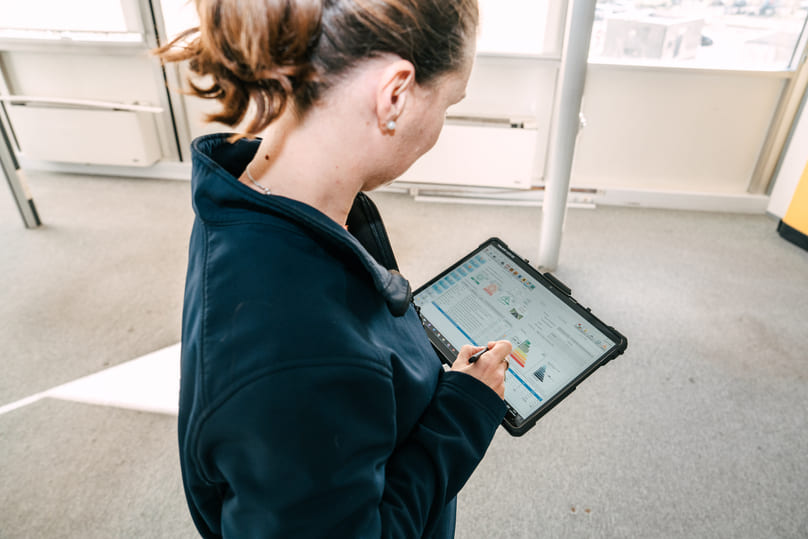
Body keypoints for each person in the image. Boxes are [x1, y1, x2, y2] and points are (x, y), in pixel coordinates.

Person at [156, 1, 513, 537]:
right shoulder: (297, 358)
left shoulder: (256, 199)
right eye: (448, 103)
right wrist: (464, 412)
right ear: (395, 94)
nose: (441, 124)